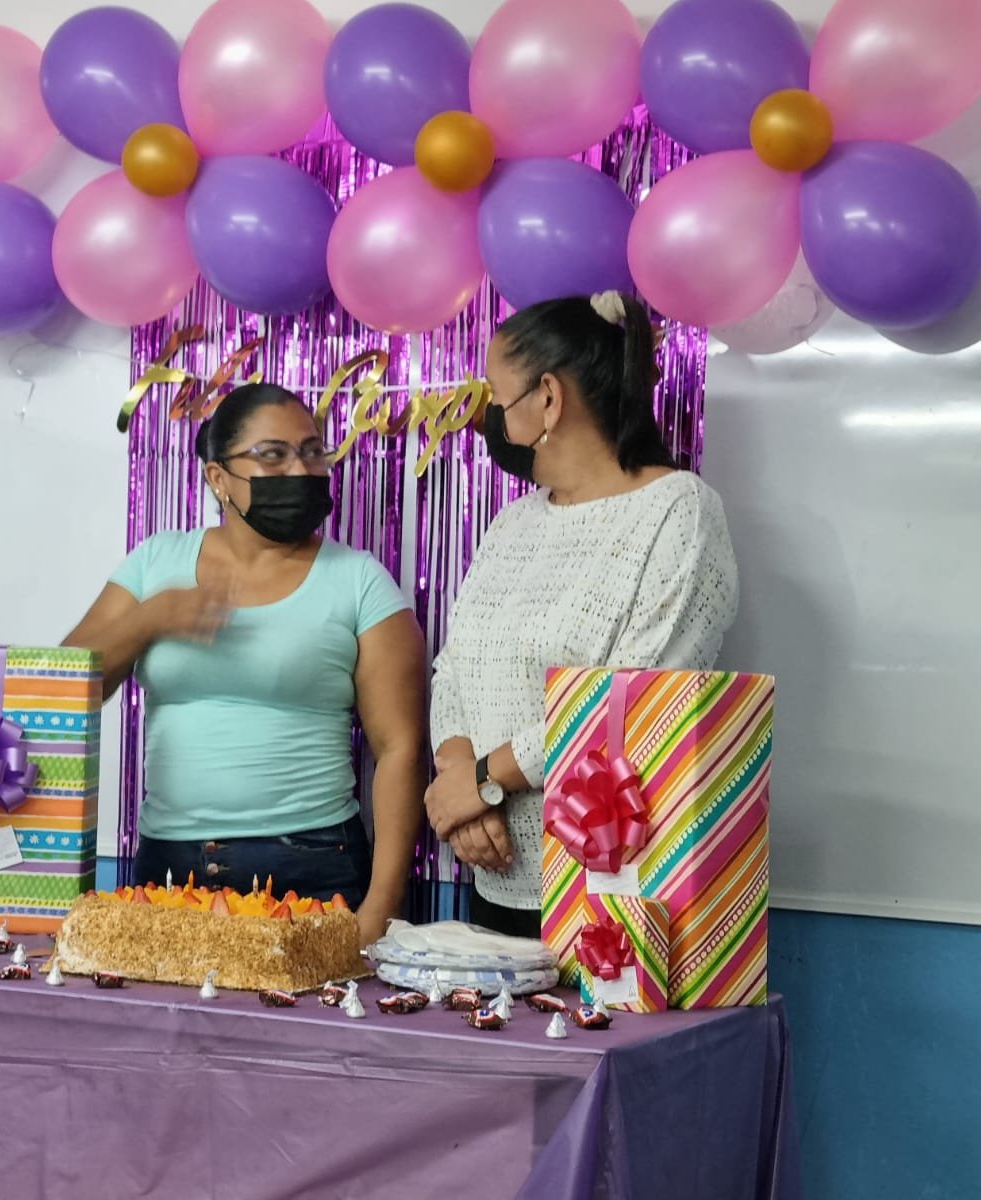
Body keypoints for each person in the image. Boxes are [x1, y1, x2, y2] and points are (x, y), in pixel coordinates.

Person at [65, 382, 427, 946]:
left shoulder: (359, 580)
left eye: (311, 451)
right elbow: (60, 689)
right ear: (218, 477)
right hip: (168, 866)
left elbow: (400, 748)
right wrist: (148, 620)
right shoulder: (156, 562)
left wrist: (381, 904)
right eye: (273, 454)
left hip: (313, 862)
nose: (300, 470)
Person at [424, 291, 739, 939]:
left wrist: (484, 781)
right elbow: (454, 671)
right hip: (494, 878)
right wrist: (462, 787)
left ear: (548, 397)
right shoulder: (513, 523)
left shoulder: (678, 511)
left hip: (610, 892)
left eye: (495, 395)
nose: (487, 415)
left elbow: (634, 701)